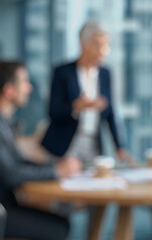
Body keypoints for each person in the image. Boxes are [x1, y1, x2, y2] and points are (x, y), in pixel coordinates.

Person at [0, 61, 82, 240]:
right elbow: (9, 174)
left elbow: (17, 163)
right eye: (24, 82)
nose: (29, 88)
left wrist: (57, 167)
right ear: (9, 90)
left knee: (60, 220)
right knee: (58, 227)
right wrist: (56, 171)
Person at [41, 21, 132, 168]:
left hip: (93, 143)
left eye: (106, 45)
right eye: (98, 45)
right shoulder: (63, 72)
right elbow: (53, 112)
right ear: (84, 44)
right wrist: (76, 106)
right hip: (65, 143)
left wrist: (119, 147)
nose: (104, 51)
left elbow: (111, 113)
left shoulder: (105, 74)